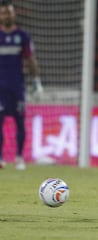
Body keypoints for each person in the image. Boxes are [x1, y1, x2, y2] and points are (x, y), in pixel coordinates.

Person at [0, 1, 43, 170]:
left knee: (20, 122)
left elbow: (30, 59)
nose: (7, 16)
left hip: (17, 86)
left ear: (14, 14)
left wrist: (36, 81)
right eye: (3, 13)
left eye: (9, 12)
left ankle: (19, 158)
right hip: (0, 89)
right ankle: (1, 158)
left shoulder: (22, 36)